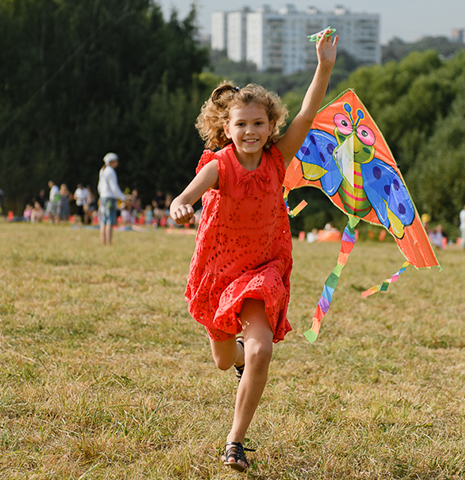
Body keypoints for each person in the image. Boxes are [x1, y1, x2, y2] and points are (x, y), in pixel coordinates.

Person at [169, 31, 337, 473]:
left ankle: (235, 441)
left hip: (263, 269)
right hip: (219, 273)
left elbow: (308, 111)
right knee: (226, 361)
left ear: (270, 128)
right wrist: (180, 205)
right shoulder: (218, 165)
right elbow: (188, 194)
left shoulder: (278, 160)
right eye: (240, 124)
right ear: (226, 129)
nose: (249, 131)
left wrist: (323, 65)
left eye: (258, 124)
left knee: (262, 350)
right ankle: (239, 357)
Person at [98, 153, 126, 244]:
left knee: (103, 221)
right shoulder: (110, 171)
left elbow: (99, 187)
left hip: (103, 197)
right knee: (110, 221)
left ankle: (103, 242)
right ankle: (109, 243)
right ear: (112, 162)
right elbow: (114, 188)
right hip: (110, 198)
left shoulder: (102, 171)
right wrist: (123, 198)